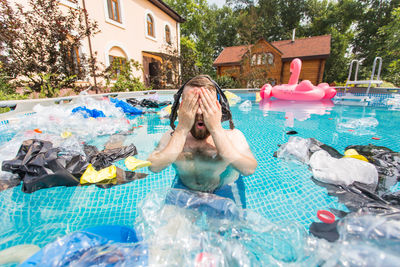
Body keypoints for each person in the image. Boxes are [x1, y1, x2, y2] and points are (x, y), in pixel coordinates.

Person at [147, 75, 257, 207]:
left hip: (224, 190)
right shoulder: (171, 137)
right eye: (192, 103)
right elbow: (154, 166)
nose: (199, 111)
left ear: (217, 106)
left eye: (206, 104)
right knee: (169, 227)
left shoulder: (233, 136)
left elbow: (248, 169)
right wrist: (182, 129)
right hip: (184, 187)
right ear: (182, 107)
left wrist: (216, 129)